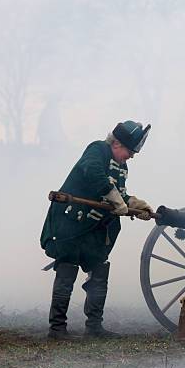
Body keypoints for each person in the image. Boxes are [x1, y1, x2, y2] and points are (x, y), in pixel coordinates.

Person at [40, 121, 154, 340]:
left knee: (99, 269)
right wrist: (113, 196)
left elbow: (120, 195)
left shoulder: (122, 166)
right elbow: (93, 173)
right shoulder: (98, 149)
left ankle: (94, 327)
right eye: (129, 151)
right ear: (117, 143)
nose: (130, 156)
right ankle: (57, 329)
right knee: (67, 269)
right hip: (71, 221)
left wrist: (135, 205)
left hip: (94, 227)